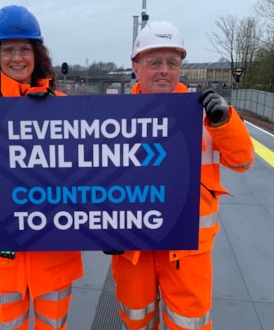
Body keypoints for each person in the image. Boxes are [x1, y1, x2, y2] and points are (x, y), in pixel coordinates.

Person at [107, 21, 255, 330]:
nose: (164, 69)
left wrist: (225, 121)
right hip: (133, 248)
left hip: (187, 250)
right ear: (136, 66)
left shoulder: (205, 113)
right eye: (154, 61)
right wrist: (105, 229)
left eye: (171, 62)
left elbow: (242, 162)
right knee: (137, 320)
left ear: (180, 67)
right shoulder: (112, 118)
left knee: (189, 324)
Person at [0, 5, 83, 330]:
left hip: (55, 253)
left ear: (36, 54)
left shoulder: (64, 106)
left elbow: (85, 175)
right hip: (5, 257)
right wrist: (5, 222)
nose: (17, 58)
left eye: (24, 49)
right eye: (8, 50)